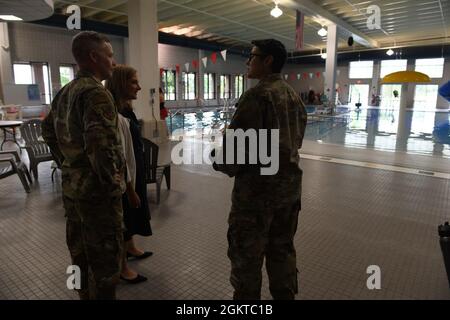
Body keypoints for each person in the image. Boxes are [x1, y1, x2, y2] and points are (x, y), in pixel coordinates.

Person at [212, 39, 307, 300]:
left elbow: (233, 156)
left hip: (256, 197)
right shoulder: (293, 96)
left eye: (252, 56)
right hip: (288, 193)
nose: (247, 61)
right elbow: (293, 143)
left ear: (268, 61)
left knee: (246, 261)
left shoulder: (256, 96)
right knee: (282, 252)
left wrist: (217, 159)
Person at [42, 31, 125, 300]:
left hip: (72, 189)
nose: (113, 61)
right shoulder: (96, 94)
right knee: (105, 261)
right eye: (110, 55)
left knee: (79, 253)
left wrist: (68, 162)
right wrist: (114, 185)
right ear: (93, 57)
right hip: (97, 195)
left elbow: (48, 131)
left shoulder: (64, 92)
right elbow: (102, 148)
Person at [105, 65, 153, 283]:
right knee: (125, 216)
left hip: (135, 170)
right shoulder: (115, 113)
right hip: (126, 176)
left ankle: (131, 247)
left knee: (133, 214)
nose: (139, 87)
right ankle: (123, 268)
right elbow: (120, 154)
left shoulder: (126, 108)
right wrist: (130, 186)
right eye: (134, 82)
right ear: (121, 84)